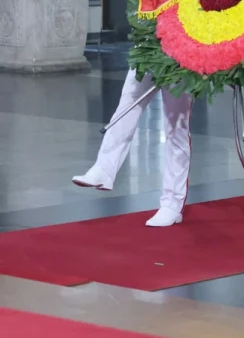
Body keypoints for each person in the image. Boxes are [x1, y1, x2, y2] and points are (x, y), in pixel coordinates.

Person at [72, 69, 192, 227]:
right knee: (126, 108)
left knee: (176, 127)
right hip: (148, 56)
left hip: (182, 64)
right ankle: (104, 169)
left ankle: (172, 203)